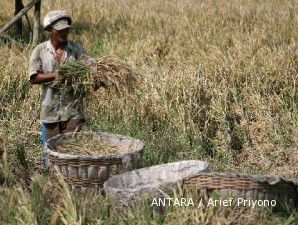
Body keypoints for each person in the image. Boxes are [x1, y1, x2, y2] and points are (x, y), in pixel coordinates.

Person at [28, 10, 96, 168]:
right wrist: (55, 75)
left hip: (73, 111)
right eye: (60, 30)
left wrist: (96, 78)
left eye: (66, 29)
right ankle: (54, 186)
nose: (64, 33)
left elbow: (91, 68)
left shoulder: (76, 49)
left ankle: (71, 187)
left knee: (72, 153)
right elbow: (33, 77)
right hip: (50, 111)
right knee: (52, 155)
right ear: (49, 30)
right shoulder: (40, 51)